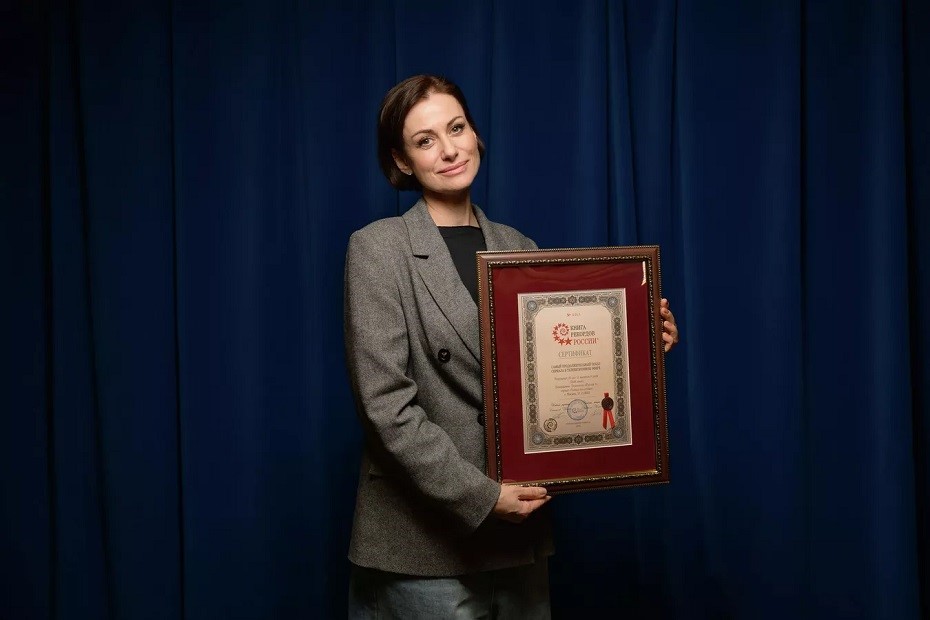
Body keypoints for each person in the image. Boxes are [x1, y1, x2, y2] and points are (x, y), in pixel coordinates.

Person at [343, 75, 679, 619]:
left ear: (475, 133)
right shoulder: (379, 248)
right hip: (423, 545)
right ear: (402, 161)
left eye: (457, 128)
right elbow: (385, 406)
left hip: (520, 536)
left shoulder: (519, 247)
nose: (449, 149)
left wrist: (636, 347)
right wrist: (481, 496)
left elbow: (549, 376)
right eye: (426, 140)